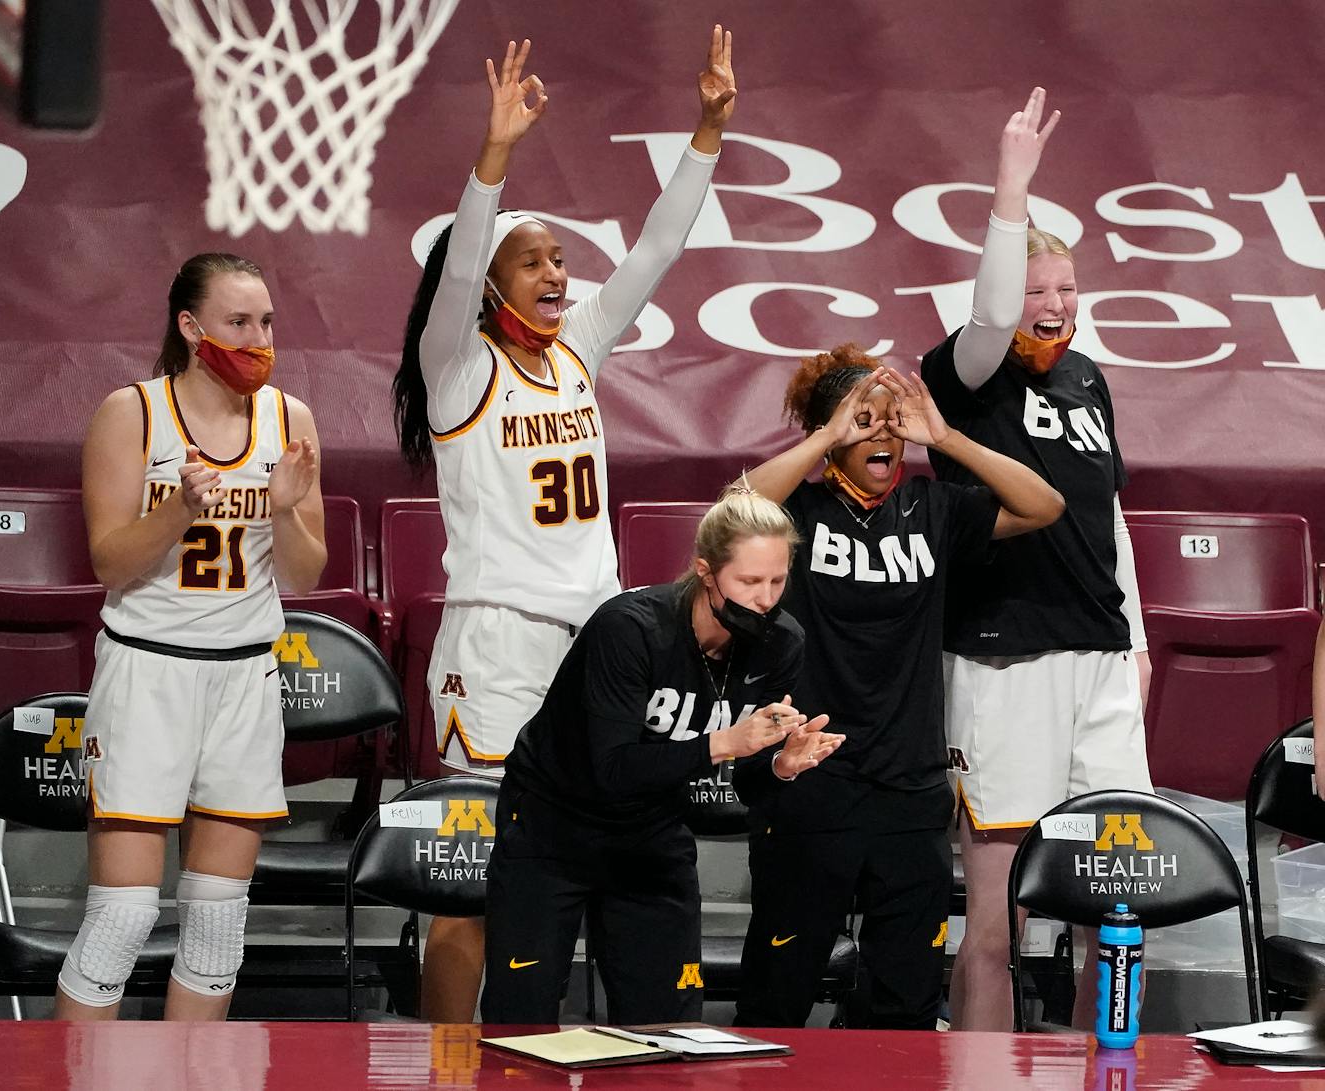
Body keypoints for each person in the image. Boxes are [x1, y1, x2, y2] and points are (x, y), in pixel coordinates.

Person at [391, 28, 738, 1021]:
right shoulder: (458, 369)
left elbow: (660, 248)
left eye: (561, 258)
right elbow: (456, 276)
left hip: (594, 651)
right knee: (472, 894)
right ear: (495, 285)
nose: (558, 272)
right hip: (496, 647)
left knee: (578, 867)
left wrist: (708, 132)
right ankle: (450, 1066)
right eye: (532, 259)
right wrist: (492, 160)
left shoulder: (580, 350)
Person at [730, 350, 1062, 1029]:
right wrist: (827, 434)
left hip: (910, 791)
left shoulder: (932, 507)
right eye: (863, 422)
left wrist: (943, 437)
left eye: (892, 424)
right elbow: (736, 506)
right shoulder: (799, 510)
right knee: (777, 996)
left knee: (904, 1007)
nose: (881, 435)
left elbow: (1044, 504)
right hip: (811, 783)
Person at [919, 88, 1153, 1031]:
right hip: (1001, 664)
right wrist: (1010, 188)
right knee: (995, 917)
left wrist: (1132, 637)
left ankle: (1113, 1067)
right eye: (1033, 288)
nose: (1052, 306)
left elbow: (1109, 517)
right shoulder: (966, 375)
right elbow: (986, 315)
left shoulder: (1092, 378)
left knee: (1119, 904)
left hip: (1098, 661)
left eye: (1065, 287)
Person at [55, 252, 326, 1021]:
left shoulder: (291, 420)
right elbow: (109, 559)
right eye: (239, 321)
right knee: (122, 918)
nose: (259, 337)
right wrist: (178, 510)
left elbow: (305, 573)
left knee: (215, 927)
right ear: (190, 325)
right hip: (149, 670)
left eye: (267, 321)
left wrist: (281, 507)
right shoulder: (131, 411)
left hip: (245, 676)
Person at [480, 488, 844, 1024]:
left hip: (652, 831)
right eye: (748, 581)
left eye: (777, 580)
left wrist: (778, 767)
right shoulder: (629, 629)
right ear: (705, 570)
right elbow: (612, 770)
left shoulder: (782, 643)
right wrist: (724, 742)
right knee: (522, 1021)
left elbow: (741, 784)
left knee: (666, 1026)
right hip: (552, 827)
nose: (766, 598)